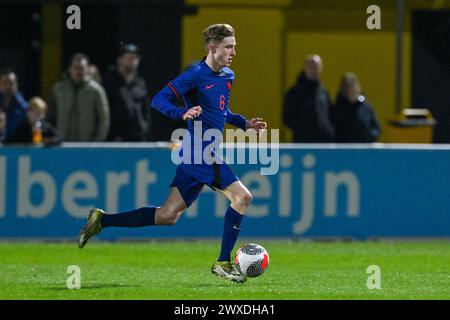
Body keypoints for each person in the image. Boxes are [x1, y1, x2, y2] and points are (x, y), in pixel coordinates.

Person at [78, 24, 267, 283]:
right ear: (213, 48)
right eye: (229, 46)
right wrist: (182, 113)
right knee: (243, 197)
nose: (234, 51)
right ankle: (223, 262)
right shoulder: (195, 75)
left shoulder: (227, 76)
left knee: (168, 215)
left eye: (234, 45)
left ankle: (102, 220)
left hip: (200, 153)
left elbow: (221, 111)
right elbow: (158, 100)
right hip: (198, 153)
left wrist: (244, 123)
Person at [47, 53, 110, 142]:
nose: (79, 71)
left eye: (82, 68)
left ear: (87, 69)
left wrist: (96, 144)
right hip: (61, 145)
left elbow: (103, 120)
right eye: (76, 67)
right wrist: (53, 138)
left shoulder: (96, 91)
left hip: (87, 147)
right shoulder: (58, 90)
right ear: (70, 69)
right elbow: (50, 116)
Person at [103, 44, 150, 141]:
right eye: (129, 58)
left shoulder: (140, 83)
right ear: (119, 60)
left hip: (138, 137)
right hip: (115, 138)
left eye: (135, 58)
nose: (132, 61)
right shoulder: (109, 82)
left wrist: (144, 128)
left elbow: (146, 110)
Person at [283, 54, 334, 142]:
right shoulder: (295, 92)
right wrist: (303, 130)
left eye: (317, 67)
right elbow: (287, 117)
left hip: (323, 142)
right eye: (311, 67)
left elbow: (330, 113)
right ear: (305, 68)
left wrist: (329, 130)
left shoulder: (323, 92)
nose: (315, 70)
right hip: (303, 143)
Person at [331, 72, 380, 142]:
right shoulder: (337, 109)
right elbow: (332, 130)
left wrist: (371, 136)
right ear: (343, 90)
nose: (352, 89)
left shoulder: (366, 107)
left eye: (354, 85)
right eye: (348, 86)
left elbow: (376, 127)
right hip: (344, 150)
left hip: (364, 149)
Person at [0, 69, 28, 141]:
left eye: (11, 83)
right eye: (4, 83)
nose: (8, 86)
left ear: (16, 84)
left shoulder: (24, 108)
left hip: (16, 149)